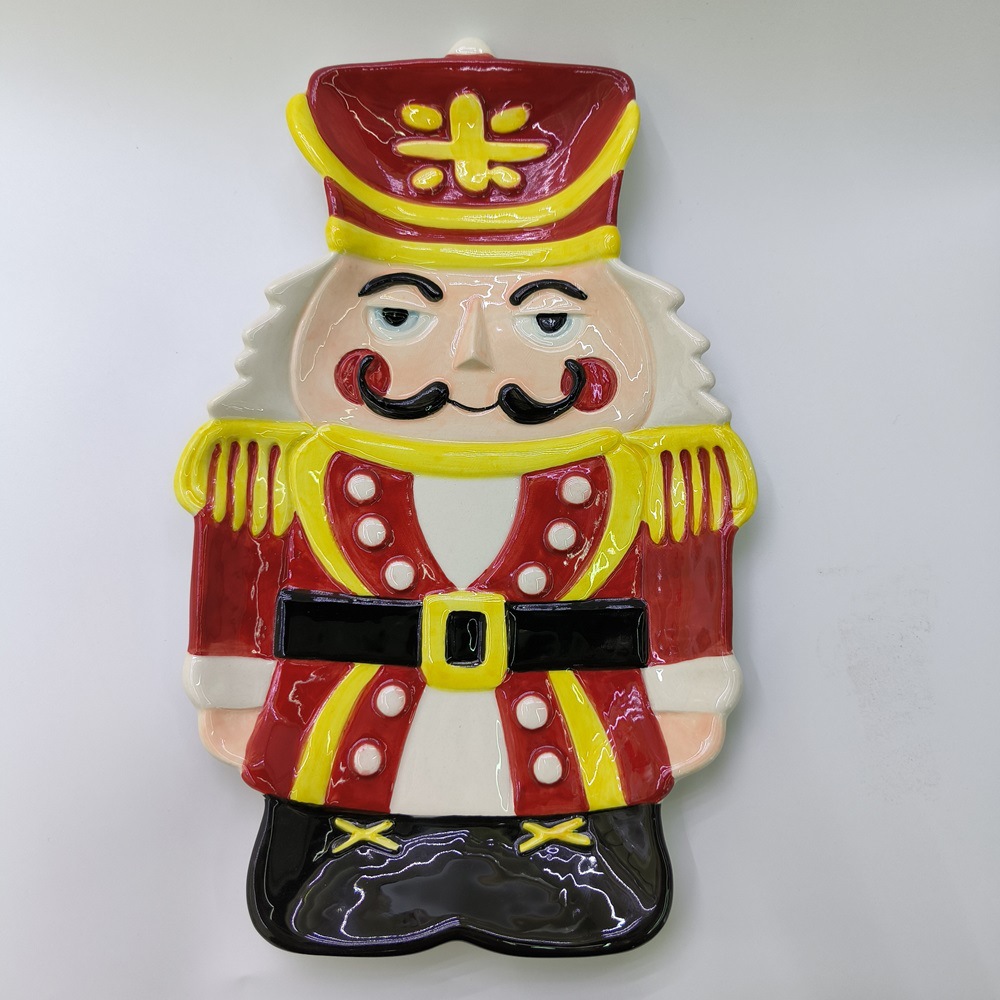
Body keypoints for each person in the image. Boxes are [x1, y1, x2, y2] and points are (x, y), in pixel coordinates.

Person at [176, 41, 755, 956]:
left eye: (549, 320)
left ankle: (562, 861)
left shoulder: (661, 476)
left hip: (572, 757)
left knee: (575, 841)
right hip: (345, 752)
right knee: (342, 840)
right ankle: (354, 856)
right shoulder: (267, 470)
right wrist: (234, 689)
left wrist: (687, 693)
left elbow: (680, 595)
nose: (474, 361)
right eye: (399, 316)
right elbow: (237, 590)